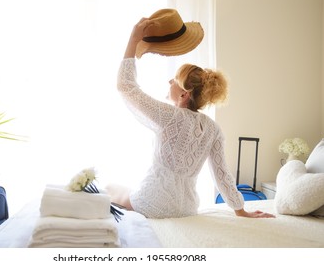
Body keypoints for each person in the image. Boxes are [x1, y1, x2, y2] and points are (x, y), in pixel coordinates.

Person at [107, 16, 275, 219]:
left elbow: (126, 86)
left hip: (153, 203)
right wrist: (241, 210)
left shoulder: (169, 115)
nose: (169, 81)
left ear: (184, 94)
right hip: (186, 209)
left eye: (175, 79)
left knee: (110, 188)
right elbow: (222, 175)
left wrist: (133, 40)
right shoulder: (213, 129)